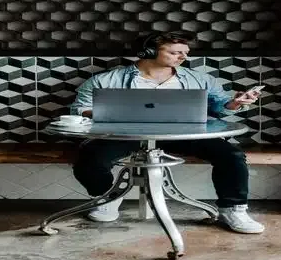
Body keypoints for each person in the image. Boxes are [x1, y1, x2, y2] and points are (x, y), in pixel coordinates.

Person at [68, 31, 265, 234]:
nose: (183, 57)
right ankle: (106, 198)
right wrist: (110, 112)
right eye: (175, 52)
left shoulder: (201, 79)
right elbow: (79, 109)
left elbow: (220, 106)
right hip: (126, 135)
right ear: (149, 51)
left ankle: (234, 210)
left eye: (185, 52)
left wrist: (235, 103)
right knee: (90, 157)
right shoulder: (106, 80)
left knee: (232, 156)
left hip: (185, 135)